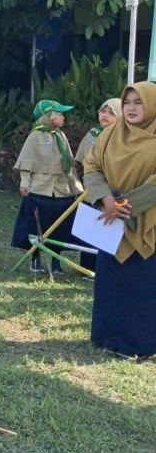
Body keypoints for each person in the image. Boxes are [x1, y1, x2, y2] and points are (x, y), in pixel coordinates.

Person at [84, 82, 156, 359]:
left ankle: (140, 344)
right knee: (112, 282)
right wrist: (106, 199)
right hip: (110, 219)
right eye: (127, 103)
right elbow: (92, 166)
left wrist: (127, 205)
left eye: (139, 102)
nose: (132, 108)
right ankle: (107, 337)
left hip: (146, 220)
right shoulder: (110, 134)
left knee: (142, 284)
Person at [11, 100, 82, 274]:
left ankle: (56, 262)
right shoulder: (35, 136)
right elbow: (27, 163)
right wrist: (25, 183)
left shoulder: (60, 135)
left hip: (61, 190)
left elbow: (69, 165)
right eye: (59, 114)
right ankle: (35, 259)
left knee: (59, 227)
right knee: (38, 227)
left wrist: (77, 188)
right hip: (40, 189)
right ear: (48, 116)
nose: (62, 117)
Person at [76, 98, 122, 168]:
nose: (105, 115)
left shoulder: (124, 137)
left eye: (112, 113)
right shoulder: (93, 133)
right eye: (103, 111)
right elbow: (84, 162)